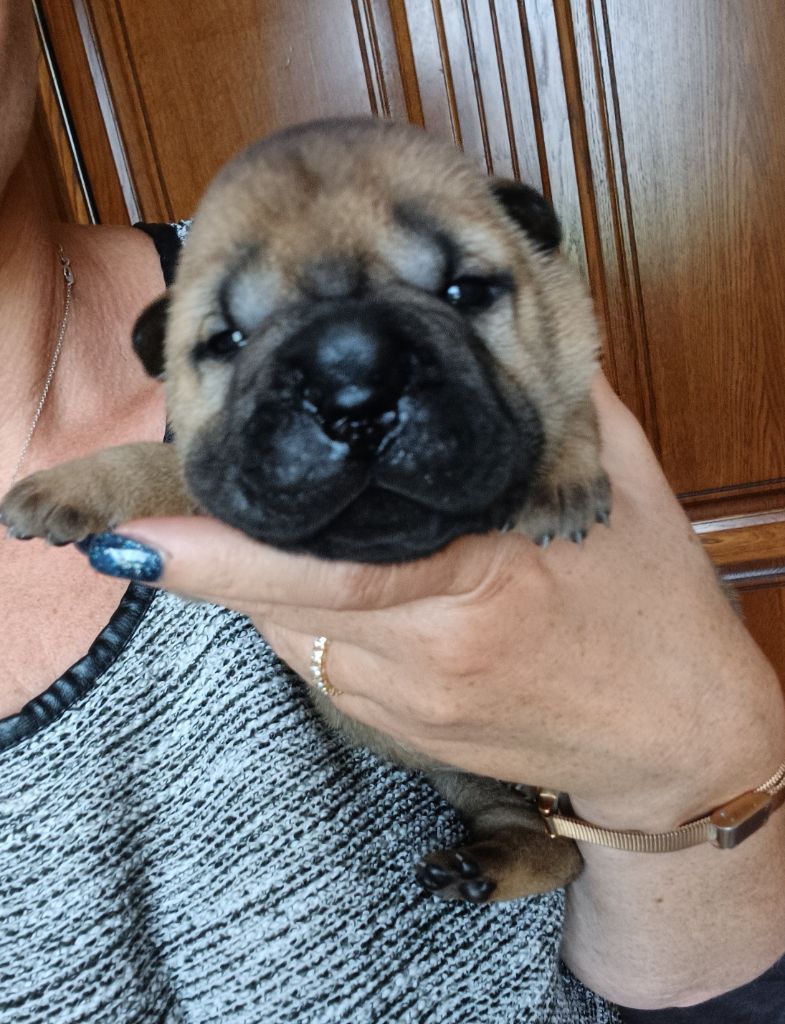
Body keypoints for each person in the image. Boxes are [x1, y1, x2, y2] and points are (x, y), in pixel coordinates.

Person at [2, 3, 785, 1020]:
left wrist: (701, 756)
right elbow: (176, 473)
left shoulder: (526, 326)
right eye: (233, 340)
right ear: (171, 348)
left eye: (456, 294)